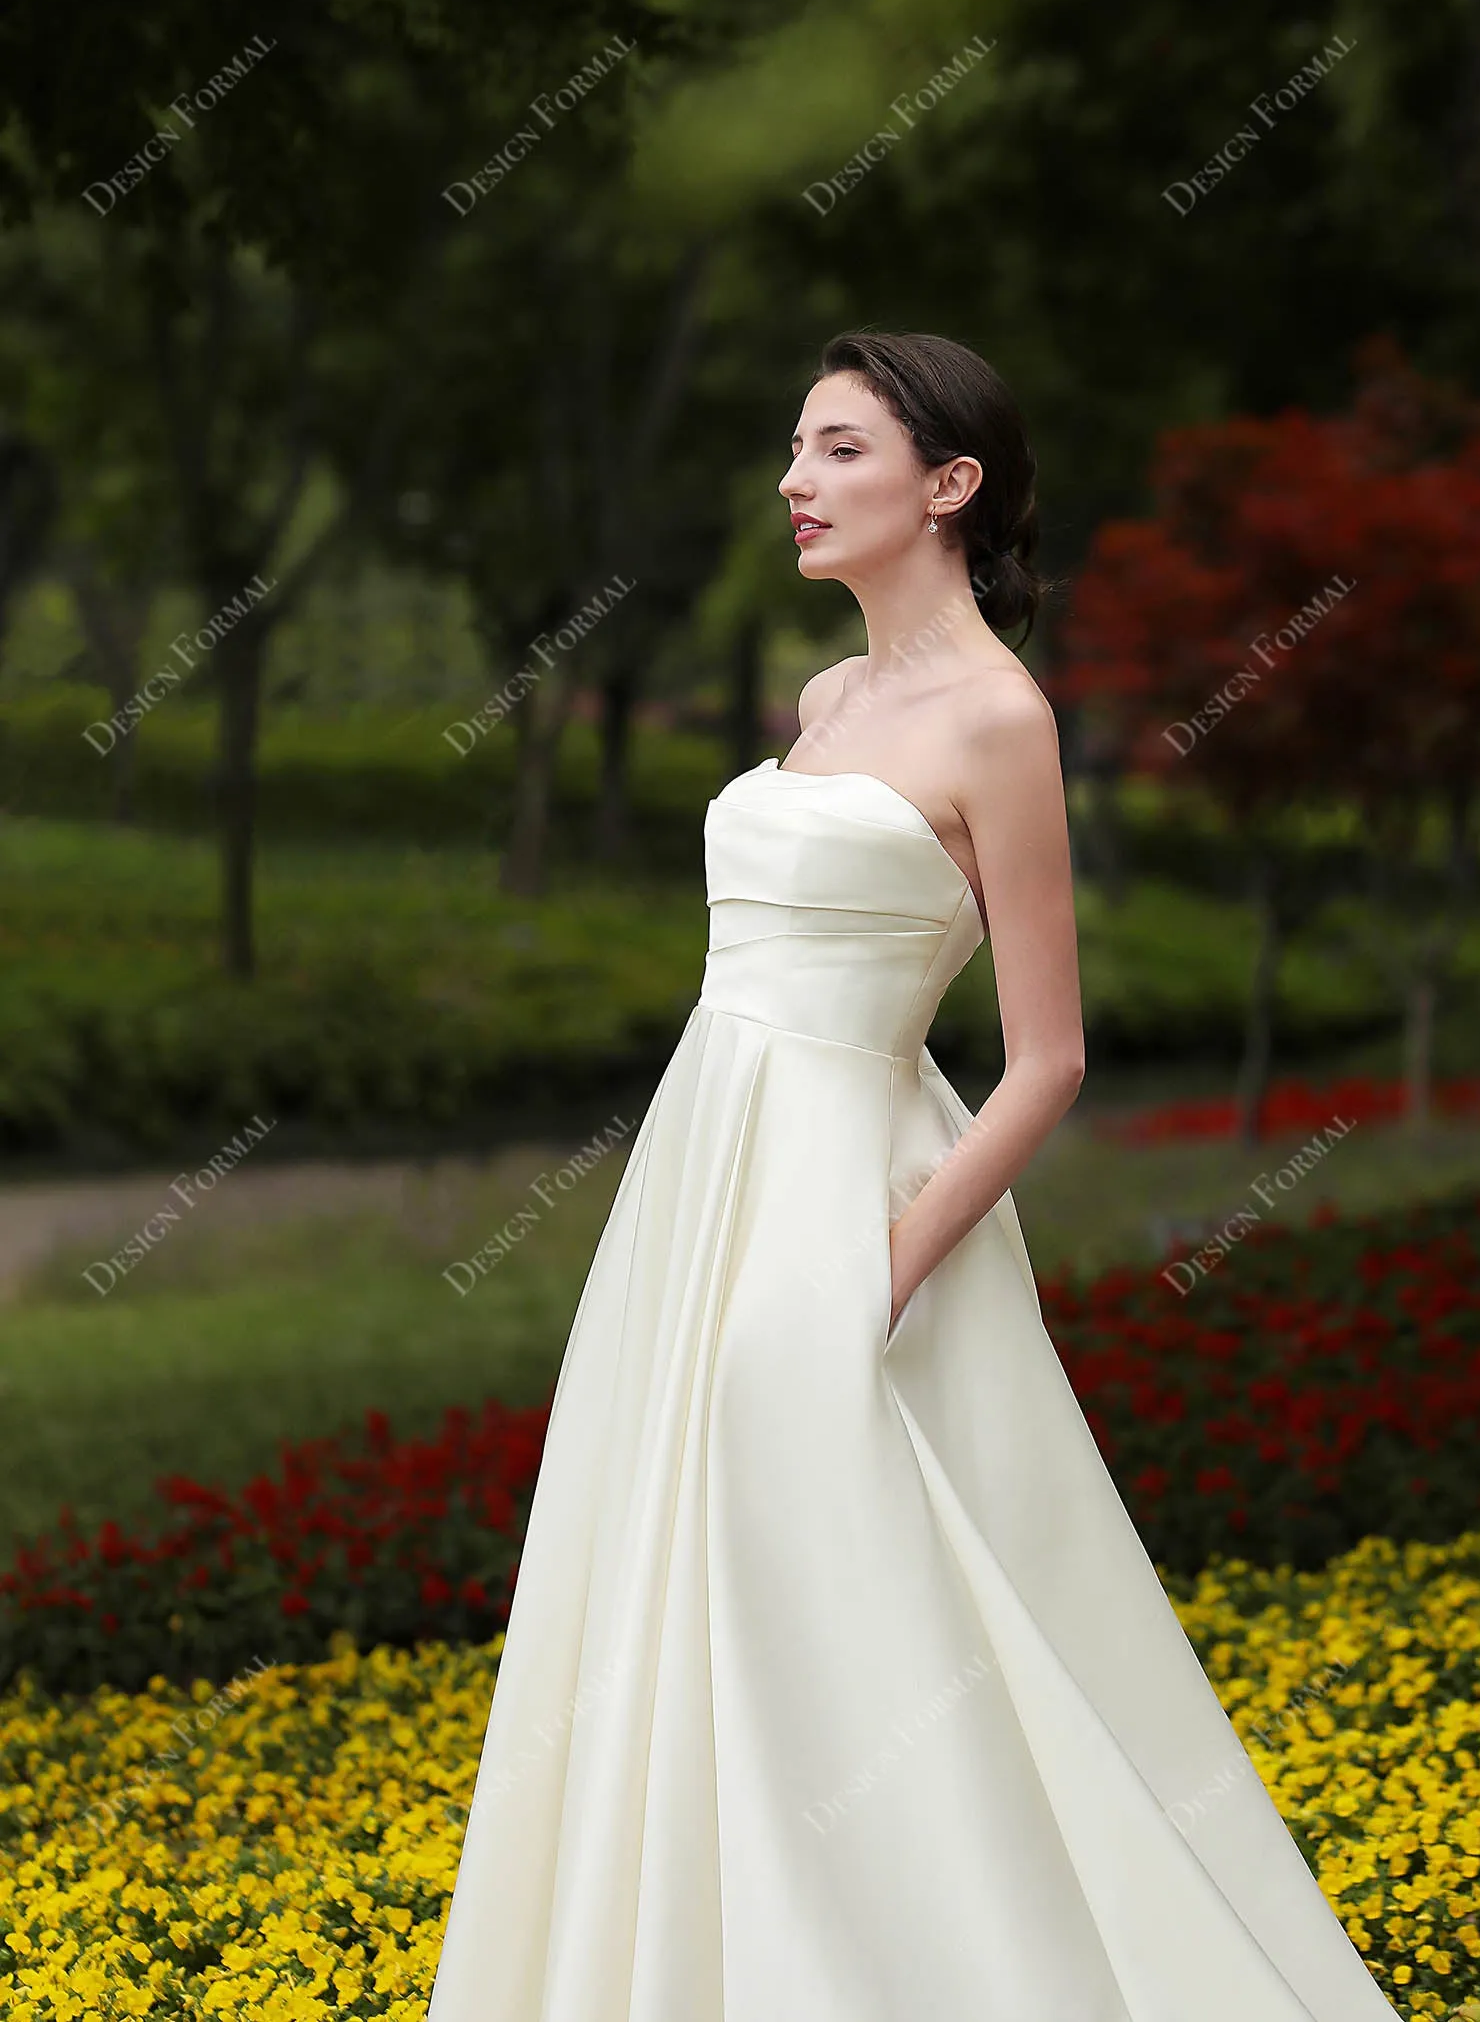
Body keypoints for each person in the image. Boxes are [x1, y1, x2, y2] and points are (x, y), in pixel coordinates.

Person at [425, 329, 1404, 2022]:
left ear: (950, 487)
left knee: (851, 1593)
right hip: (701, 1181)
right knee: (685, 1574)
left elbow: (1049, 1059)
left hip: (853, 1198)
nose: (794, 483)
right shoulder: (823, 702)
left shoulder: (1001, 721)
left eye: (838, 450)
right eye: (795, 451)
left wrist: (886, 1264)